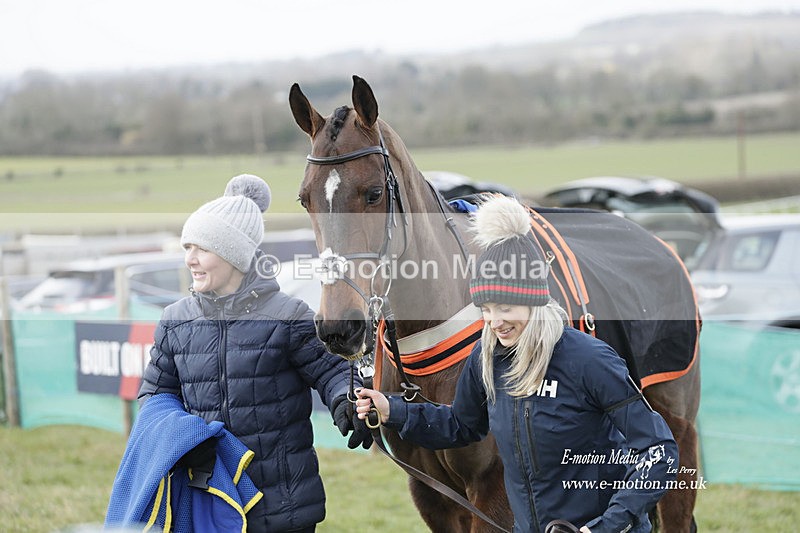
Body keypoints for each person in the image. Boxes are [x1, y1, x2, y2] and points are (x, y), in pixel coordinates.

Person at [355, 195, 679, 533]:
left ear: (533, 299)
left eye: (505, 308)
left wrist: (609, 525)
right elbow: (460, 425)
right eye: (486, 309)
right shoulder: (487, 359)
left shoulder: (590, 360)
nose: (495, 322)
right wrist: (392, 410)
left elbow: (658, 450)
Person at [135, 174, 371, 532]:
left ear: (234, 255)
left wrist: (346, 401)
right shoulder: (175, 321)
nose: (190, 260)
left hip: (282, 508)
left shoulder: (288, 316)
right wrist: (183, 438)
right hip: (208, 499)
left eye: (202, 249)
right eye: (187, 248)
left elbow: (334, 372)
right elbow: (155, 396)